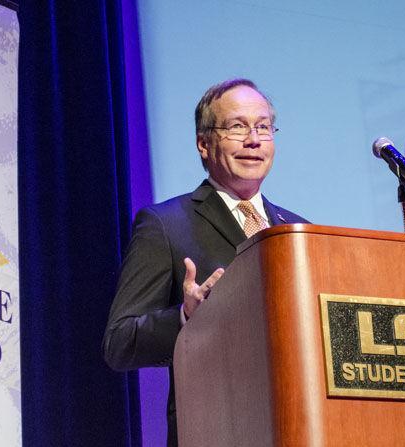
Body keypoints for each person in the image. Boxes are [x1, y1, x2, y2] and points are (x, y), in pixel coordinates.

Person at [102, 78, 308, 446]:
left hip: (300, 427)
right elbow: (120, 342)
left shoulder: (299, 233)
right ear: (203, 143)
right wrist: (186, 317)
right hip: (214, 430)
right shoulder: (165, 224)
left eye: (263, 126)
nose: (254, 139)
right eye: (237, 127)